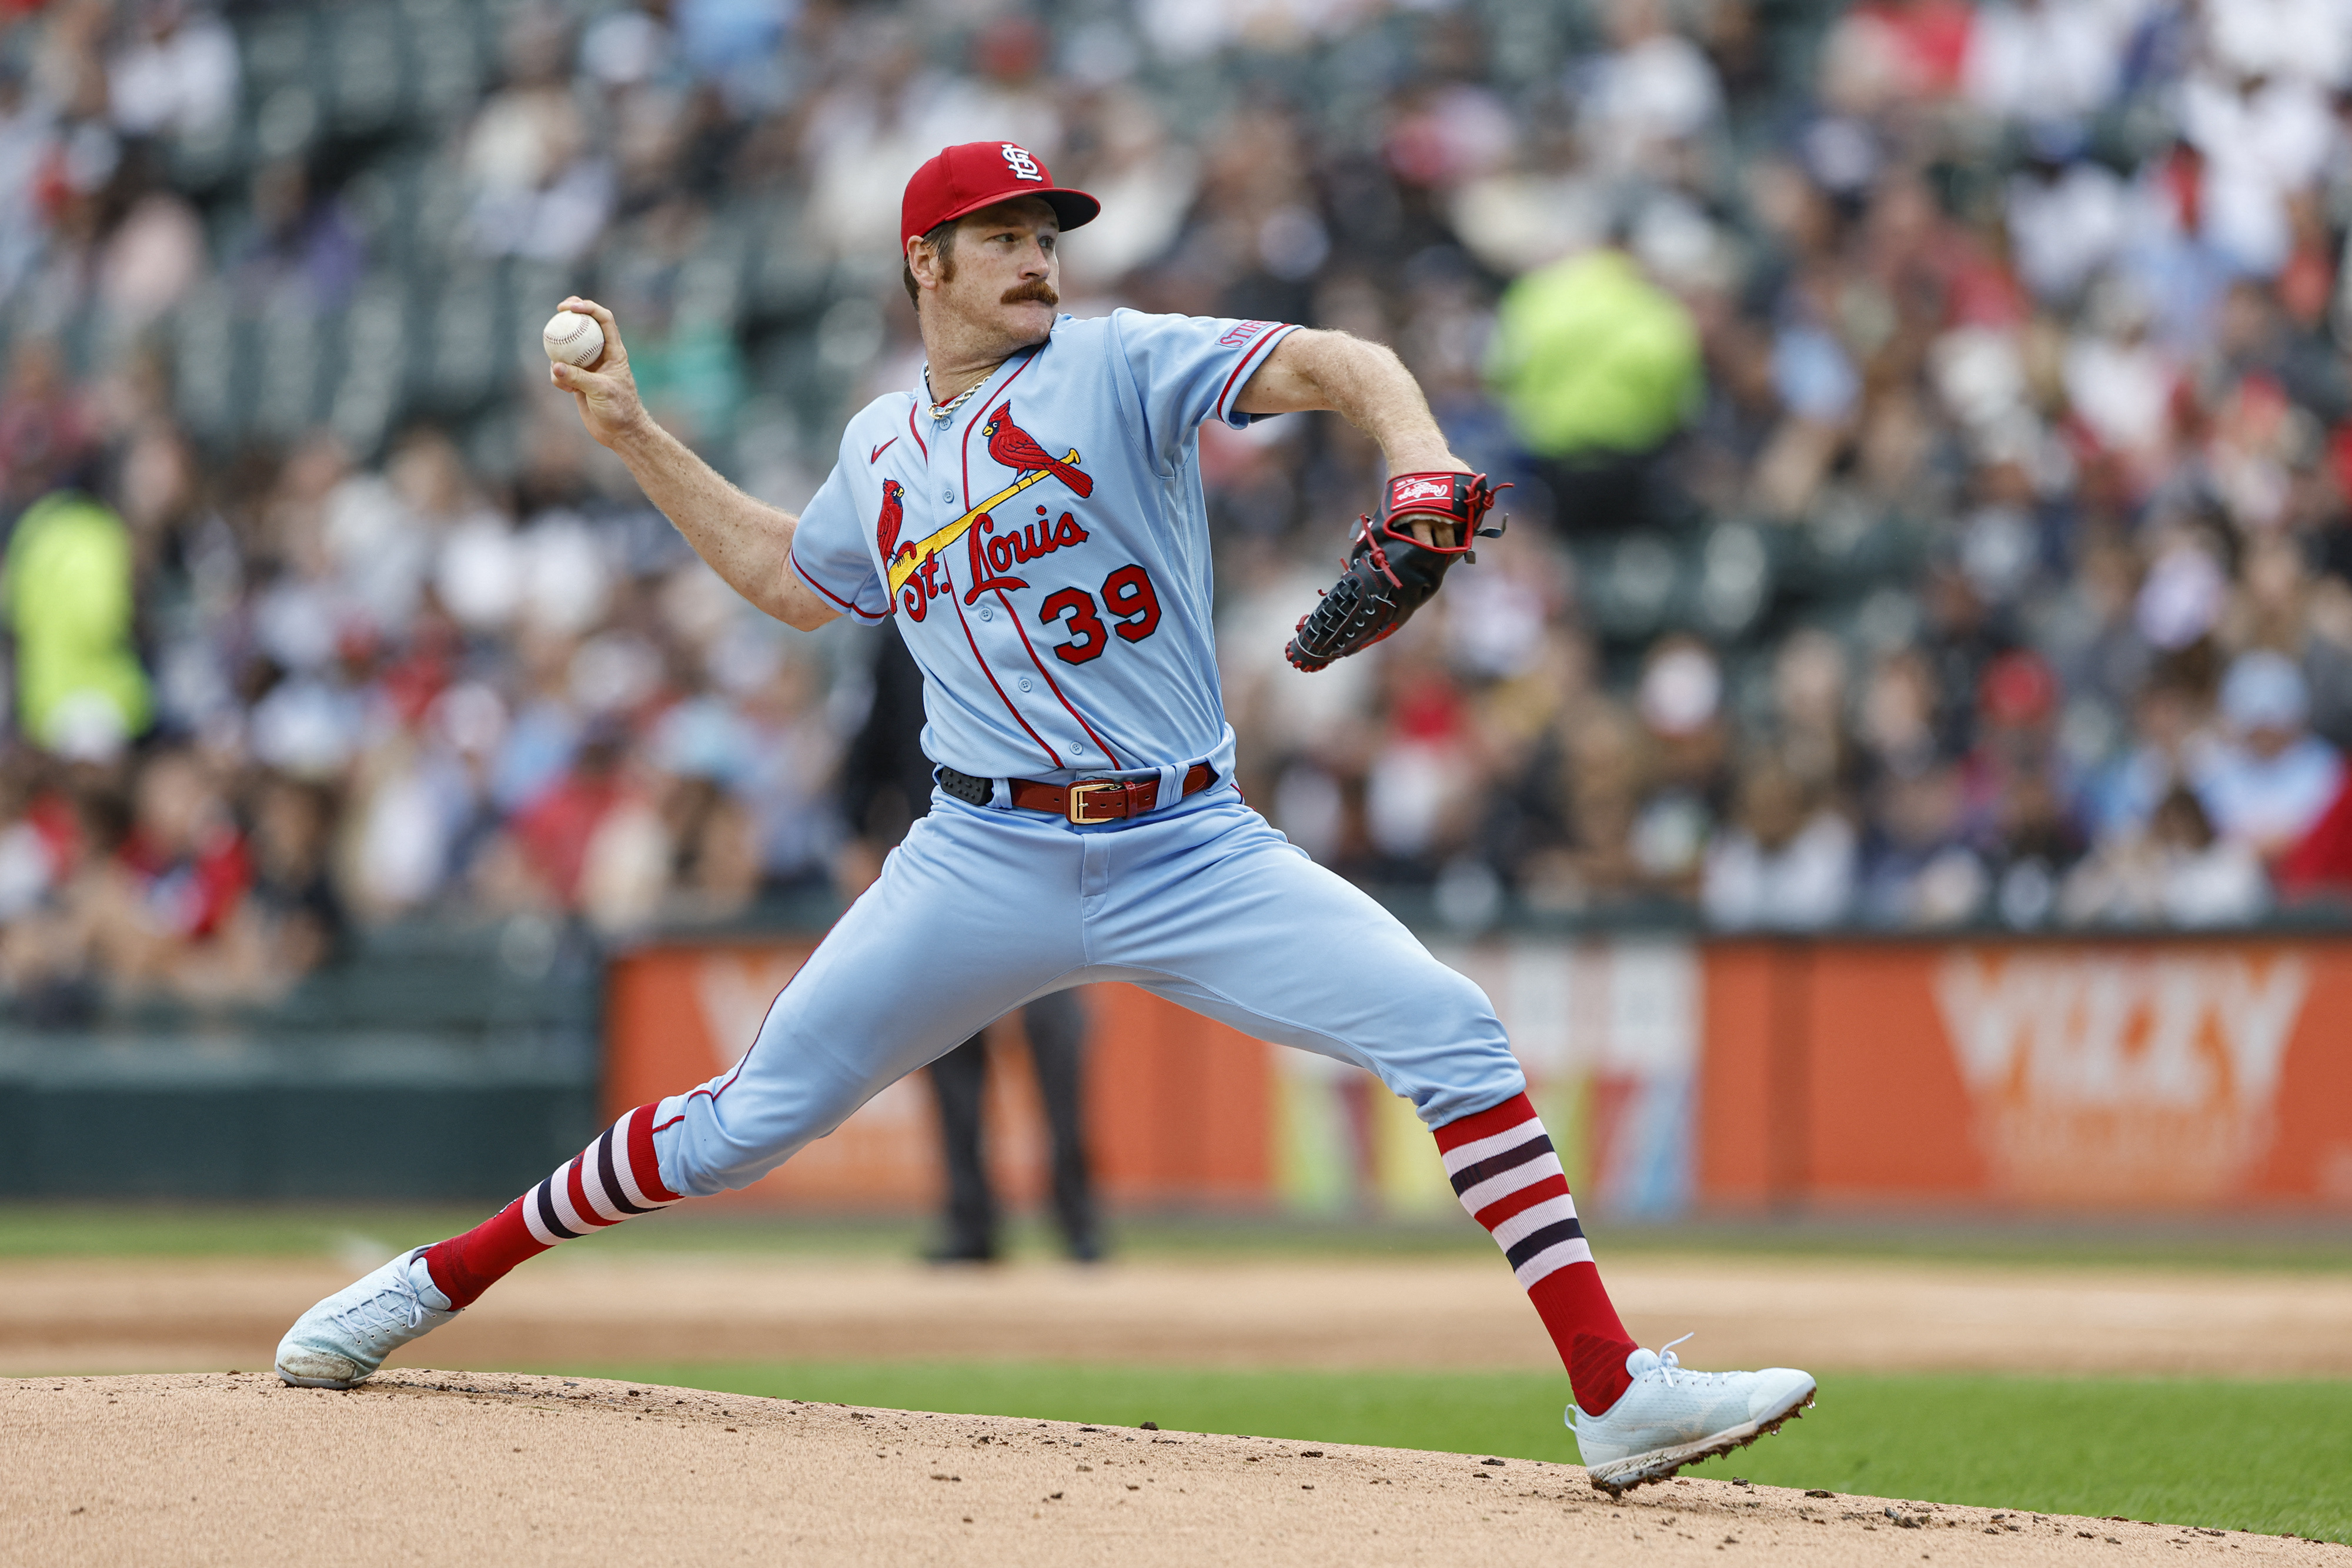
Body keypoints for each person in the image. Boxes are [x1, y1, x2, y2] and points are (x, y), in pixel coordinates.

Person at [275, 140, 1813, 1495]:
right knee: (746, 1122)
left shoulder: (1120, 363)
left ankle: (1613, 1393)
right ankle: (438, 1277)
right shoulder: (881, 447)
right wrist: (628, 435)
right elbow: (786, 582)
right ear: (922, 264)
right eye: (1004, 233)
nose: (1037, 255)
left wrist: (1424, 463)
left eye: (1047, 231)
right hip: (980, 853)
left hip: (1187, 846)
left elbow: (1344, 358)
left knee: (1456, 1033)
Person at [839, 630, 1100, 1263]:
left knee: (1053, 1035)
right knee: (948, 1044)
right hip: (941, 854)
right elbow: (874, 739)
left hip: (1044, 847)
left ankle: (1079, 1223)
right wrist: (852, 826)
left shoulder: (1029, 602)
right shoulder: (904, 623)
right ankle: (971, 1221)